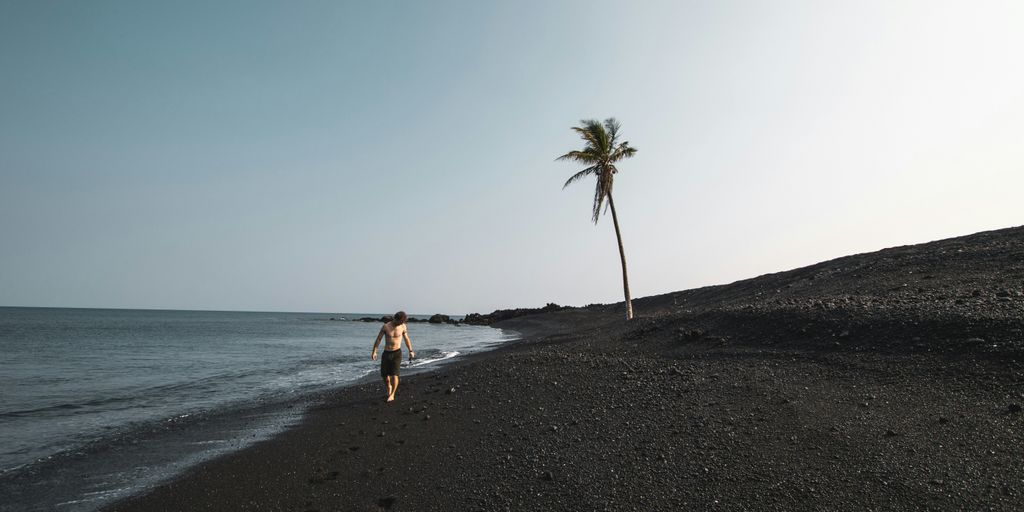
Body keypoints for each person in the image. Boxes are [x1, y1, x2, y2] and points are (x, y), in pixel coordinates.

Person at [371, 311, 414, 402]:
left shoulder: (402, 326)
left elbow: (406, 339)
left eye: (402, 322)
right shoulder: (386, 326)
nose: (400, 324)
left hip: (397, 353)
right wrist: (374, 351)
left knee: (395, 375)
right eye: (399, 322)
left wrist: (410, 351)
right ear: (395, 319)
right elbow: (378, 339)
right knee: (384, 376)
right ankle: (389, 387)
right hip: (387, 353)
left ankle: (392, 394)